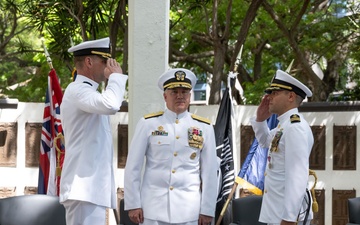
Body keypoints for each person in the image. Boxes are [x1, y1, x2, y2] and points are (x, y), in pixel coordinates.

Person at [124, 68, 218, 225]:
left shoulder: (205, 127)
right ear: (165, 96)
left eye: (184, 91)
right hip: (153, 210)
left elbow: (209, 173)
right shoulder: (148, 124)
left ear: (190, 95)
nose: (180, 96)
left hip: (189, 211)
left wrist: (207, 209)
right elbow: (133, 166)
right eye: (174, 91)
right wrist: (133, 204)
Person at [59, 37, 128, 225]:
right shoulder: (77, 90)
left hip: (89, 188)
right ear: (89, 62)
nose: (109, 66)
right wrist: (116, 77)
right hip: (83, 189)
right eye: (105, 61)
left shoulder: (89, 92)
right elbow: (112, 104)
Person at [250, 70, 314, 225]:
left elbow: (298, 176)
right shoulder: (284, 125)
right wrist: (259, 120)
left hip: (286, 218)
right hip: (277, 214)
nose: (269, 97)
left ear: (291, 97)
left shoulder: (294, 127)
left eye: (275, 93)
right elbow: (266, 142)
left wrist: (290, 218)